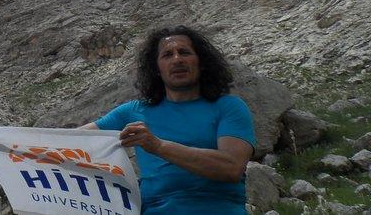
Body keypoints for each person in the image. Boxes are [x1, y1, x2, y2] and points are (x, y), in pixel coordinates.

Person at [80, 25, 255, 214]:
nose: (177, 59)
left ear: (201, 62)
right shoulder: (132, 111)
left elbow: (231, 167)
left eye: (184, 52)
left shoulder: (229, 107)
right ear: (156, 68)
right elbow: (73, 140)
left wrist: (158, 147)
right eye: (167, 55)